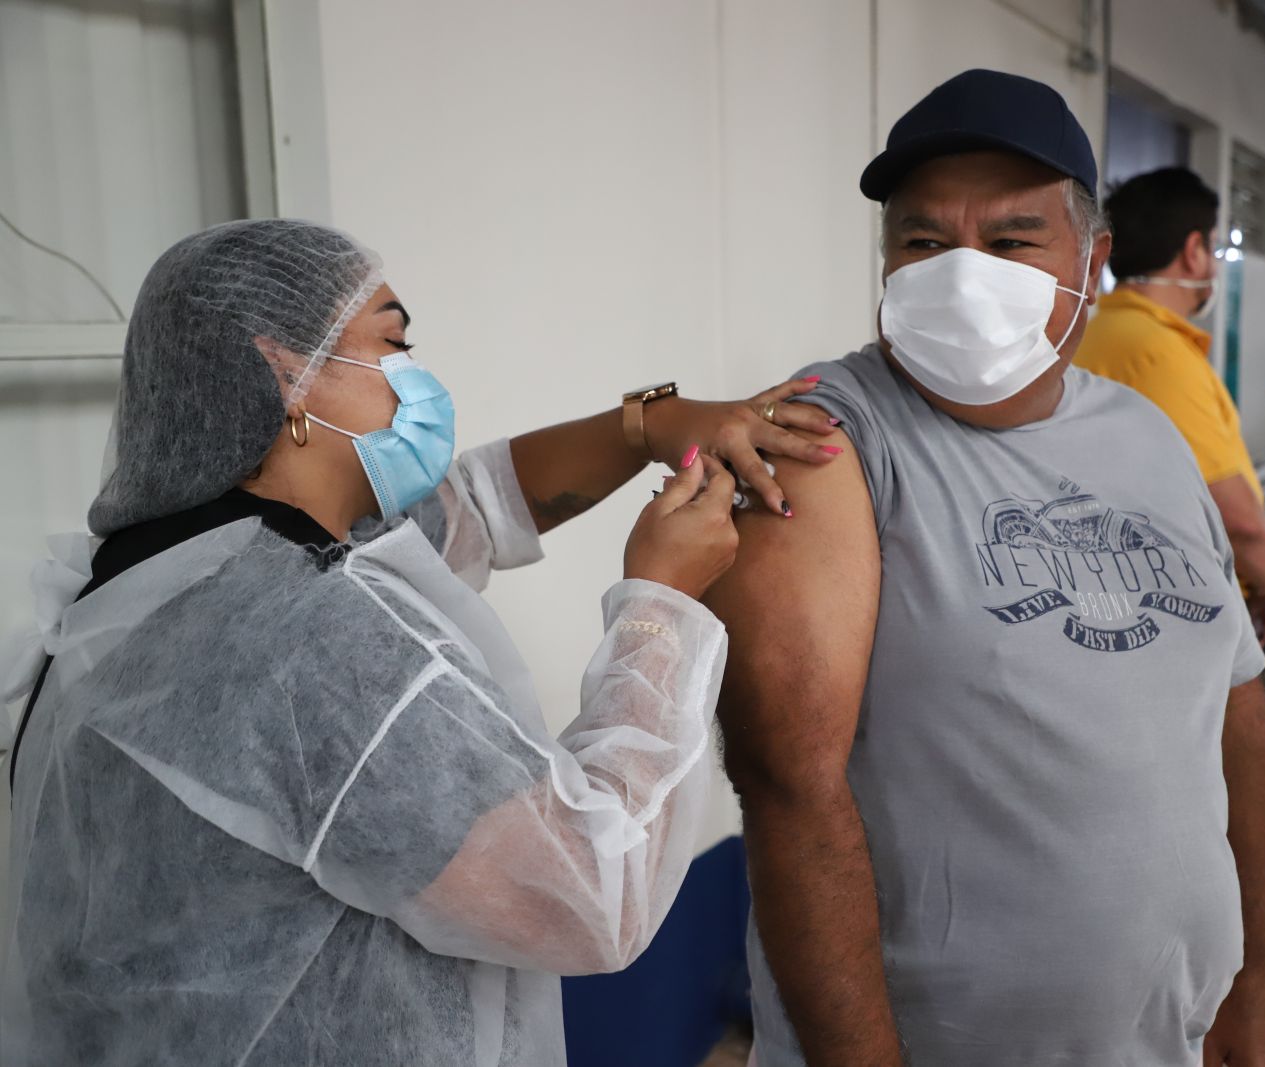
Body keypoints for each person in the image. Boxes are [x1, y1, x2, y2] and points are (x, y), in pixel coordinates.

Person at [0, 219, 847, 1066]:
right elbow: (592, 888)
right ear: (285, 371)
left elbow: (476, 504)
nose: (417, 377)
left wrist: (646, 424)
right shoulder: (308, 642)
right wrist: (660, 602)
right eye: (392, 341)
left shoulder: (133, 598)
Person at [708, 70, 1265, 1066]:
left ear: (1091, 261)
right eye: (924, 241)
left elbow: (1235, 705)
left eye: (1012, 239)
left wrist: (1258, 986)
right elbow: (786, 781)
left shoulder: (1144, 434)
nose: (962, 272)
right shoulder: (823, 438)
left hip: (1169, 1035)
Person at [1077, 166, 1265, 645]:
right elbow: (1232, 517)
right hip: (1184, 609)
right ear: (1194, 251)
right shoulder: (1156, 353)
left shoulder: (1102, 332)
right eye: (1215, 248)